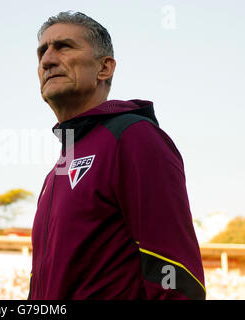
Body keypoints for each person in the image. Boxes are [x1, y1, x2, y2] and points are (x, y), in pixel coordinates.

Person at [28, 11, 205, 300]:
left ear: (104, 68)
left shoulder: (134, 137)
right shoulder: (56, 172)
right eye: (42, 52)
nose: (47, 60)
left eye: (63, 46)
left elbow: (175, 273)